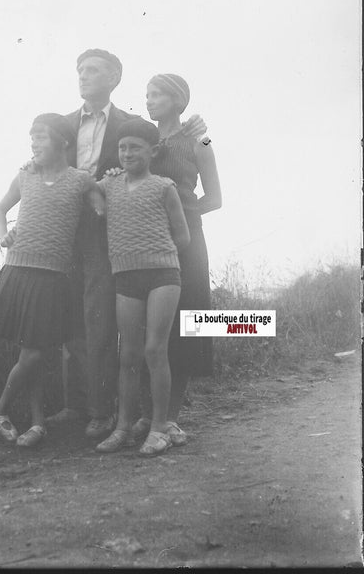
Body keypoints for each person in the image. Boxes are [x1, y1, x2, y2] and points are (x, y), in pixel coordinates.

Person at [45, 49, 208, 439]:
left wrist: (172, 223)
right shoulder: (77, 127)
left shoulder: (163, 131)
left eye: (94, 70)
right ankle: (90, 408)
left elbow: (187, 165)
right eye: (79, 69)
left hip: (145, 240)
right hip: (87, 235)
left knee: (165, 327)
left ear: (115, 77)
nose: (84, 76)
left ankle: (152, 417)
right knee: (82, 323)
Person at [0, 113, 104, 448]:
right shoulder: (25, 175)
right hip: (18, 271)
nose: (34, 143)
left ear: (63, 142)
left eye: (41, 137)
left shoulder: (81, 180)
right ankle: (37, 422)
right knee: (31, 350)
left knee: (34, 352)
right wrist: (2, 235)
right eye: (32, 137)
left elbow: (102, 209)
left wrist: (107, 186)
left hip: (53, 277)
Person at [131, 73, 222, 446]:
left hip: (186, 244)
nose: (149, 100)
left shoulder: (201, 137)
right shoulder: (144, 140)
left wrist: (182, 218)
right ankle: (145, 415)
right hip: (145, 243)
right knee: (147, 328)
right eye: (147, 94)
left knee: (186, 323)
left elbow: (215, 198)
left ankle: (169, 418)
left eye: (157, 95)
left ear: (177, 100)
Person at [94, 118, 190, 456]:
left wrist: (156, 256)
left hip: (163, 276)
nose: (127, 153)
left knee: (154, 350)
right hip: (125, 276)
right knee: (128, 354)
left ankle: (159, 426)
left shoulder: (164, 186)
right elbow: (83, 188)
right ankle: (123, 426)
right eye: (122, 147)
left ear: (153, 150)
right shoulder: (109, 186)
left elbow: (182, 235)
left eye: (135, 147)